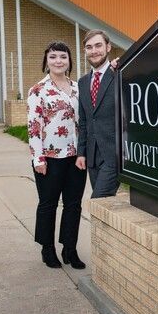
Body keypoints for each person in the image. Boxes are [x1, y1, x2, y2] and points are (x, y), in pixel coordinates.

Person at [27, 41, 86, 269]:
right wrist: (38, 158)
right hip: (49, 158)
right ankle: (47, 249)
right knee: (48, 204)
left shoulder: (77, 88)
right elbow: (33, 126)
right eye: (53, 57)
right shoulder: (38, 90)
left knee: (73, 204)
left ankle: (70, 249)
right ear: (46, 61)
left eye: (63, 56)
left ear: (69, 60)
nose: (58, 61)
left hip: (76, 157)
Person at [75, 29, 120, 198]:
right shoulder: (83, 82)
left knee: (98, 200)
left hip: (114, 154)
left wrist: (126, 63)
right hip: (92, 156)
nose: (94, 51)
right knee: (105, 206)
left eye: (98, 45)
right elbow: (85, 120)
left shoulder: (120, 73)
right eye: (89, 47)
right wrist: (81, 152)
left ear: (108, 47)